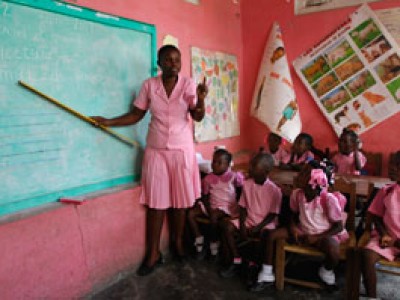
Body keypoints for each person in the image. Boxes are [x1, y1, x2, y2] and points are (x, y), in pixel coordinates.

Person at [91, 45, 208, 276]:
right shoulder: (149, 85)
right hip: (156, 151)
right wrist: (108, 122)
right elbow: (136, 114)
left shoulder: (188, 85)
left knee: (181, 204)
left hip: (181, 150)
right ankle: (153, 253)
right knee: (156, 204)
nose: (173, 63)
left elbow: (197, 116)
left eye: (177, 59)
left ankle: (177, 244)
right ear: (159, 63)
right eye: (168, 60)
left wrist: (201, 100)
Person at [255, 160, 348, 288]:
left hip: (323, 234)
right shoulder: (298, 194)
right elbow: (294, 213)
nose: (299, 175)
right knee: (271, 235)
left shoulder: (328, 200)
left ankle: (326, 271)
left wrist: (317, 237)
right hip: (302, 230)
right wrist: (293, 226)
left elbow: (338, 226)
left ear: (315, 180)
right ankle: (267, 273)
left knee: (333, 251)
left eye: (304, 173)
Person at [219, 152, 282, 279]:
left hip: (265, 222)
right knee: (226, 226)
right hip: (249, 219)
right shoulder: (247, 184)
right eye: (251, 165)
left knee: (265, 235)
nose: (250, 169)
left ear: (265, 171)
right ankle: (237, 260)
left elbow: (273, 214)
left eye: (254, 166)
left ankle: (255, 265)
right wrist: (242, 225)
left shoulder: (275, 190)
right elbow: (242, 207)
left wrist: (258, 227)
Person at [187, 148, 244, 261]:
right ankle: (199, 239)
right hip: (211, 205)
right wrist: (208, 208)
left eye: (219, 163)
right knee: (190, 214)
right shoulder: (208, 178)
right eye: (213, 161)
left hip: (227, 206)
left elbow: (241, 191)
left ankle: (214, 243)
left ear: (227, 165)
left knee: (213, 216)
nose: (214, 165)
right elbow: (205, 196)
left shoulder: (233, 176)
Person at [360, 151, 400, 299]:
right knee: (367, 255)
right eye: (392, 164)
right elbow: (376, 216)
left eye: (398, 165)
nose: (392, 168)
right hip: (387, 238)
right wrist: (383, 233)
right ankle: (372, 297)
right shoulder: (387, 190)